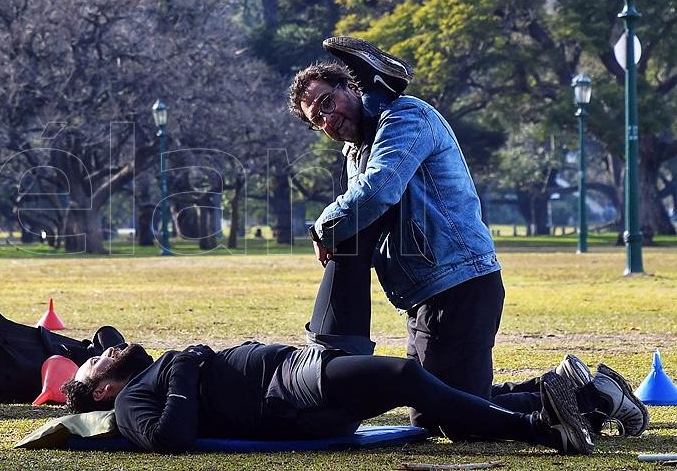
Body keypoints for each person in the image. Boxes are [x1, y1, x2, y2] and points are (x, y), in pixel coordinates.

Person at [285, 37, 646, 437]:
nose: (326, 120)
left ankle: (596, 399)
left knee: (458, 417)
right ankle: (568, 387)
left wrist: (323, 226)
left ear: (352, 87)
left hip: (459, 281)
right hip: (423, 293)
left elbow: (378, 191)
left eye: (326, 103)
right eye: (316, 120)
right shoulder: (358, 151)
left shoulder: (406, 118)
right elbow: (367, 212)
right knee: (429, 413)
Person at [61, 341, 596, 455]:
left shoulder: (149, 374)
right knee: (404, 373)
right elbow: (171, 439)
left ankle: (577, 405)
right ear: (102, 391)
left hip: (297, 387)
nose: (106, 349)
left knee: (415, 389)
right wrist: (181, 368)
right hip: (287, 392)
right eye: (96, 361)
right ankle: (543, 428)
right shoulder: (131, 403)